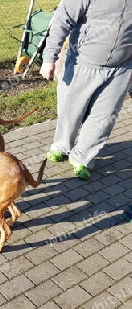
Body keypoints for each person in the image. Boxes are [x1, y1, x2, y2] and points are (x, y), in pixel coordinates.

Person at [40, 0, 132, 180]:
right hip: (81, 63)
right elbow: (61, 19)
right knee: (71, 109)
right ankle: (62, 146)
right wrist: (49, 58)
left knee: (104, 117)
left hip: (121, 68)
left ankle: (82, 157)